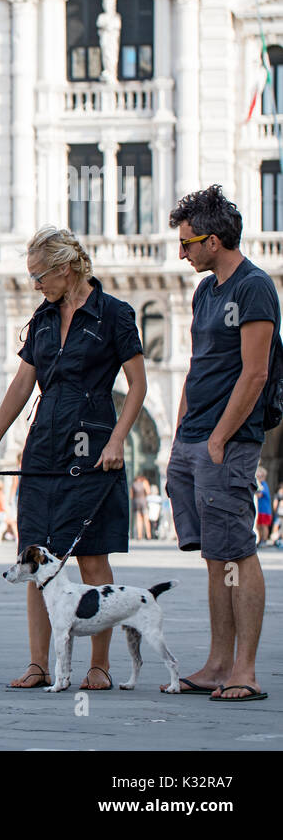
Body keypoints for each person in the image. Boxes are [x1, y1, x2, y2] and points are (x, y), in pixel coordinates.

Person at [0, 226, 146, 692]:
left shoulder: (115, 314)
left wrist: (117, 441)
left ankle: (99, 665)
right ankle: (38, 664)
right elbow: (22, 382)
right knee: (32, 557)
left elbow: (138, 386)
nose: (35, 284)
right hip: (44, 444)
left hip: (93, 448)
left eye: (39, 275)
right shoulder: (44, 319)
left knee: (91, 558)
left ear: (66, 267)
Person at [164, 186, 277, 700]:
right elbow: (198, 365)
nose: (182, 252)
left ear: (214, 240)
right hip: (194, 438)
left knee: (237, 554)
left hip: (227, 442)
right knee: (216, 555)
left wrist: (217, 439)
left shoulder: (255, 287)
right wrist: (182, 431)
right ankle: (216, 663)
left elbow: (255, 374)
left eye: (188, 243)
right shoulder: (205, 290)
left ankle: (244, 672)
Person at [255, 468, 272, 547]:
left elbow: (259, 495)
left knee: (264, 525)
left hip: (265, 510)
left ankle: (264, 540)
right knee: (259, 526)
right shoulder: (260, 485)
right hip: (260, 510)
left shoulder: (263, 485)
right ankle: (260, 540)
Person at [132, 474, 152, 540]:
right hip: (143, 502)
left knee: (138, 519)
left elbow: (131, 495)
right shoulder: (144, 482)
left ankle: (139, 535)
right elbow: (148, 492)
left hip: (136, 502)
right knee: (146, 519)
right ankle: (148, 535)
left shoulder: (134, 484)